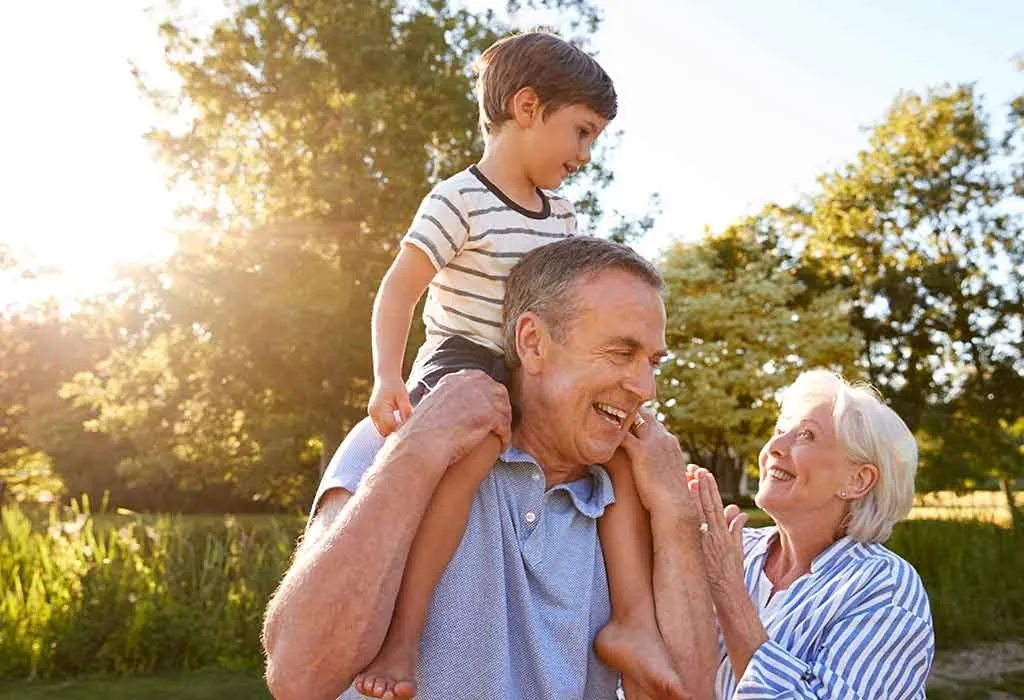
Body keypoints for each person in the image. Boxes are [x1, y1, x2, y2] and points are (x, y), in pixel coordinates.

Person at [351, 29, 678, 699]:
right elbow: (399, 289)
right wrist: (388, 375)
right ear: (527, 108)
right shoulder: (459, 201)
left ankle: (634, 621)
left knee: (617, 447)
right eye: (581, 132)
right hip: (465, 360)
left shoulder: (560, 216)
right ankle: (404, 634)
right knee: (475, 450)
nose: (586, 154)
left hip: (529, 362)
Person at [262, 237, 718, 700]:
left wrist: (676, 512)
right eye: (621, 353)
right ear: (533, 343)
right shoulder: (401, 438)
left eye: (653, 362)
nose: (646, 387)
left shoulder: (633, 495)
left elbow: (691, 692)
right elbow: (301, 676)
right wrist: (416, 450)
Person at [683, 370, 935, 699]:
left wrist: (728, 591)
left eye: (805, 435)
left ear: (857, 480)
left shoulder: (885, 587)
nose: (774, 447)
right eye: (779, 431)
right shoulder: (733, 549)